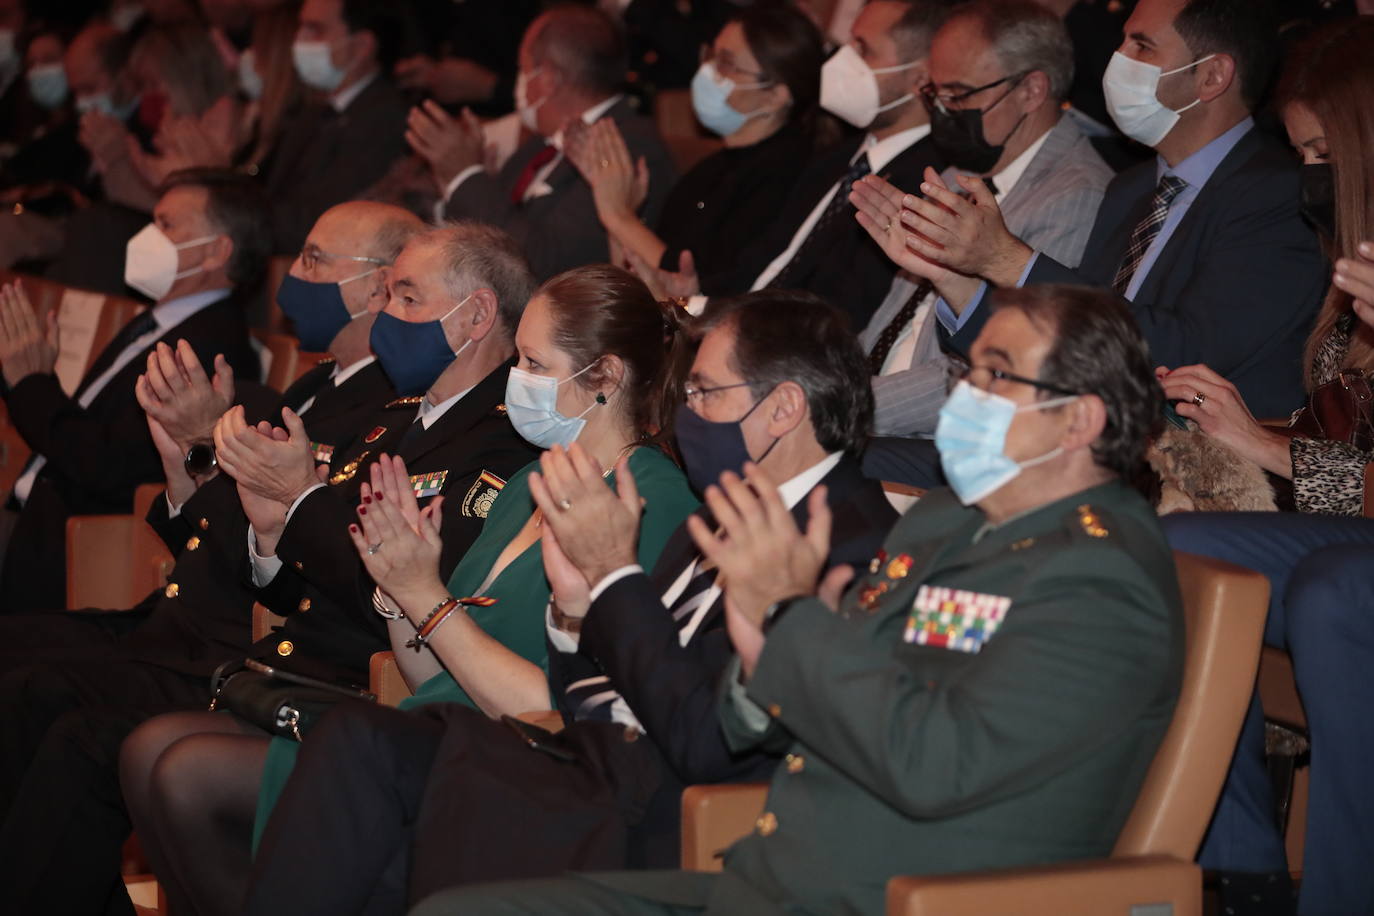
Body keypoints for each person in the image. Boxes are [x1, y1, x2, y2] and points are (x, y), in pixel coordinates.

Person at [415, 282, 1184, 916]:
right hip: (777, 872)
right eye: (970, 371)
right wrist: (756, 667)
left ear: (1080, 420)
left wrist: (785, 617)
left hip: (897, 896)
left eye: (995, 375)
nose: (965, 396)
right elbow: (848, 671)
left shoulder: (1098, 577)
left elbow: (935, 765)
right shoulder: (952, 522)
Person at [226, 291, 897, 915]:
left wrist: (611, 577)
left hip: (669, 806)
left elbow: (703, 739)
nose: (686, 414)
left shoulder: (846, 543)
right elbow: (594, 685)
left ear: (783, 409)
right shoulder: (732, 511)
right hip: (584, 754)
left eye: (706, 394)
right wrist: (576, 617)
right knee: (361, 757)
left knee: (378, 768)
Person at [120, 264, 701, 916]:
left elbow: (566, 711)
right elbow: (426, 669)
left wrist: (426, 598)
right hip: (425, 731)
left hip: (513, 764)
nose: (516, 382)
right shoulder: (525, 488)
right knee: (153, 755)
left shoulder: (647, 506)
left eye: (535, 364)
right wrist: (400, 585)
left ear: (605, 378)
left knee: (183, 774)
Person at [0, 217, 534, 915]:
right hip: (279, 661)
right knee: (78, 726)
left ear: (476, 316)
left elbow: (395, 585)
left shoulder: (498, 443)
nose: (387, 315)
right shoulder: (400, 418)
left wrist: (297, 499)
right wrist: (259, 509)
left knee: (95, 739)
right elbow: (287, 576)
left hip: (357, 690)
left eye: (406, 298)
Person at [1156, 19, 1374, 916]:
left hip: (1349, 553)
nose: (1309, 174)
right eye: (1301, 151)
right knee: (1180, 546)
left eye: (1324, 149)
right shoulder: (1350, 257)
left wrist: (1272, 452)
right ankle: (1236, 866)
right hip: (1350, 527)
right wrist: (1254, 440)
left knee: (1333, 589)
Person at [885, 0, 1326, 421]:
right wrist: (956, 282)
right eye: (1122, 42)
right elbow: (1058, 346)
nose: (1118, 59)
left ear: (1211, 77)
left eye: (1141, 46)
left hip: (1190, 466)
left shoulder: (1277, 195)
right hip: (1080, 436)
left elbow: (1187, 354)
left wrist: (1005, 258)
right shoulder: (1130, 187)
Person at [0, 167, 262, 614]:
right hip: (34, 520)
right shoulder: (162, 321)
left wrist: (30, 384)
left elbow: (106, 466)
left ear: (217, 251)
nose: (147, 237)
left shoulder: (207, 347)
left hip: (73, 547)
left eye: (166, 225)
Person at [851, 0, 1112, 445]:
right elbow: (887, 326)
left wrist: (840, 407)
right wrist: (826, 382)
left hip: (938, 443)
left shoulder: (1077, 198)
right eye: (935, 95)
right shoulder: (958, 174)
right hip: (873, 413)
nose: (943, 111)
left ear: (1031, 91)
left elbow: (995, 375)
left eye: (959, 95)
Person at [640, 0, 950, 332]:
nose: (843, 60)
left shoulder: (924, 185)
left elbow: (833, 314)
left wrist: (696, 309)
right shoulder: (836, 159)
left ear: (921, 79)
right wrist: (696, 293)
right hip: (736, 327)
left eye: (864, 49)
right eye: (848, 43)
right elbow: (764, 269)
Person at [565, 4, 825, 286]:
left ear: (774, 96)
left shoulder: (789, 179)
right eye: (710, 55)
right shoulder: (709, 169)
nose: (708, 71)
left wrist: (618, 215)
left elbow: (699, 288)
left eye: (726, 63)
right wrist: (617, 207)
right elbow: (637, 286)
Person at [416, 4, 676, 281]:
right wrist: (457, 182)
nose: (520, 80)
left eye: (523, 68)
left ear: (549, 78)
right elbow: (500, 221)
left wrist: (465, 175)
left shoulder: (627, 147)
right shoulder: (542, 144)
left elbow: (549, 264)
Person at [263, 0, 408, 253]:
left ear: (362, 46)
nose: (299, 39)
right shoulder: (315, 110)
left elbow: (320, 221)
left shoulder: (385, 120)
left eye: (315, 29)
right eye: (301, 27)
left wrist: (236, 218)